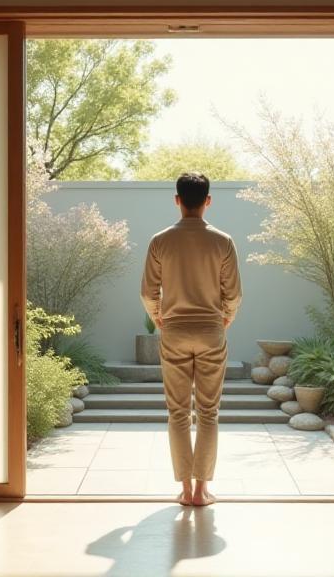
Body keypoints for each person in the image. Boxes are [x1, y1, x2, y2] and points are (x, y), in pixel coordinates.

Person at [140, 172, 243, 506]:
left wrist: (159, 317)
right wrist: (223, 319)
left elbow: (148, 291)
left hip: (174, 330)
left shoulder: (160, 241)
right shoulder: (223, 241)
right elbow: (234, 294)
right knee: (209, 412)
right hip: (212, 329)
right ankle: (201, 491)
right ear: (208, 201)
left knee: (178, 412)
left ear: (177, 200)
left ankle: (184, 489)